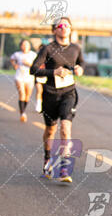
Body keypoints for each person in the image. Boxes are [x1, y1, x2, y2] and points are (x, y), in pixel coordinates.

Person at [30, 17, 84, 182]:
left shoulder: (76, 48)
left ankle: (64, 168)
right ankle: (47, 160)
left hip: (69, 93)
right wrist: (54, 72)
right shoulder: (47, 49)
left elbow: (81, 64)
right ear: (54, 30)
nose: (64, 28)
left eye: (67, 25)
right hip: (50, 94)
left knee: (65, 129)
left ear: (70, 29)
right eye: (60, 26)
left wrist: (79, 69)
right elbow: (33, 69)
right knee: (50, 131)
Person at [10, 39, 37, 122]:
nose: (25, 46)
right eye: (23, 45)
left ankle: (23, 110)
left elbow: (37, 65)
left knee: (27, 96)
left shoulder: (33, 55)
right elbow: (12, 59)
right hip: (19, 76)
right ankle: (22, 113)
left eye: (27, 45)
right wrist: (14, 64)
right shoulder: (17, 54)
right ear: (20, 46)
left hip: (29, 77)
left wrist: (29, 64)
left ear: (29, 46)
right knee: (22, 94)